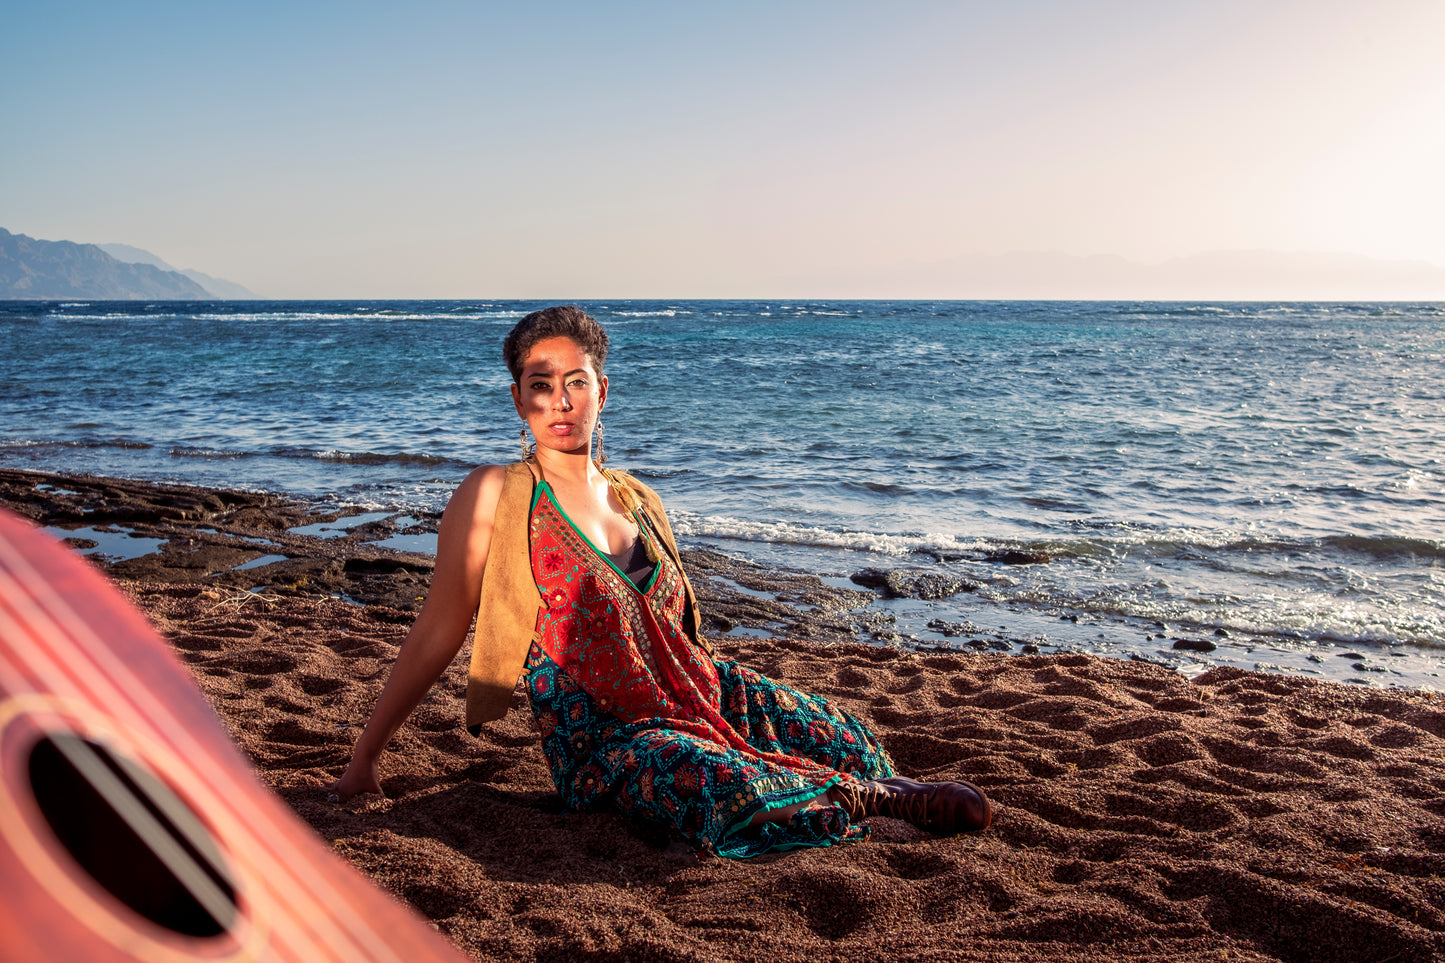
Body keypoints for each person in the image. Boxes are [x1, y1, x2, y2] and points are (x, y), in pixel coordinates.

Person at [329, 306, 992, 857]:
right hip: (610, 740)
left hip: (701, 692)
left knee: (844, 736)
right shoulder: (495, 497)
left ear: (602, 390)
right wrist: (366, 756)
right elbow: (440, 626)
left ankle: (863, 781)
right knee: (721, 788)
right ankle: (860, 798)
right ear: (518, 398)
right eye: (540, 382)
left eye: (577, 381)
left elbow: (678, 635)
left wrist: (721, 698)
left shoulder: (638, 498)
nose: (561, 401)